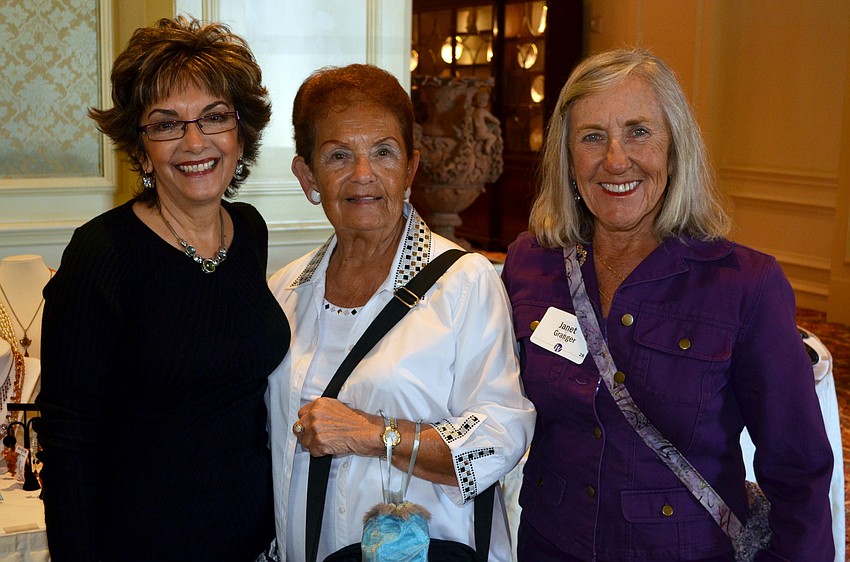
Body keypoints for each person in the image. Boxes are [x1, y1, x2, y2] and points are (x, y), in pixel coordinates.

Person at [501, 49, 834, 562]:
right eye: (592, 137)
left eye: (639, 132)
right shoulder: (530, 263)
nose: (615, 160)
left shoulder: (745, 285)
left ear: (675, 149)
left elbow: (798, 467)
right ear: (567, 157)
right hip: (550, 544)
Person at [36, 17, 289, 561]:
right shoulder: (102, 255)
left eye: (215, 117)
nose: (194, 141)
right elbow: (68, 440)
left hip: (255, 544)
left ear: (240, 131)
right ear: (140, 143)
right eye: (166, 123)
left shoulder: (248, 231)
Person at [266, 64, 535, 562]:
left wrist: (373, 434)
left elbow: (500, 436)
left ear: (410, 168)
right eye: (339, 155)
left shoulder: (463, 283)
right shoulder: (283, 292)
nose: (363, 174)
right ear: (308, 176)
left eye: (383, 152)